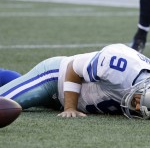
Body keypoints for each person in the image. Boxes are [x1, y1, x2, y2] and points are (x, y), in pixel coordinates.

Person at [1, 43, 150, 119]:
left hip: (60, 101)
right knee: (5, 103)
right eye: (138, 100)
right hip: (53, 80)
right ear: (142, 88)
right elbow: (74, 68)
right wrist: (70, 108)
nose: (136, 108)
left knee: (22, 85)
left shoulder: (143, 95)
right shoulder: (119, 65)